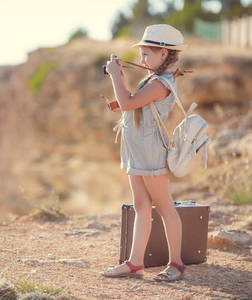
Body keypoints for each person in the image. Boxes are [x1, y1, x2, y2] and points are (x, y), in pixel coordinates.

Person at [101, 24, 187, 282]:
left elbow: (127, 103)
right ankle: (135, 263)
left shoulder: (162, 83)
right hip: (136, 150)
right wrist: (122, 81)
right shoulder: (151, 79)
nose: (142, 59)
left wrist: (115, 75)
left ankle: (177, 263)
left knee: (165, 208)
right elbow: (129, 106)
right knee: (141, 206)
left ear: (164, 54)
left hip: (150, 152)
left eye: (146, 54)